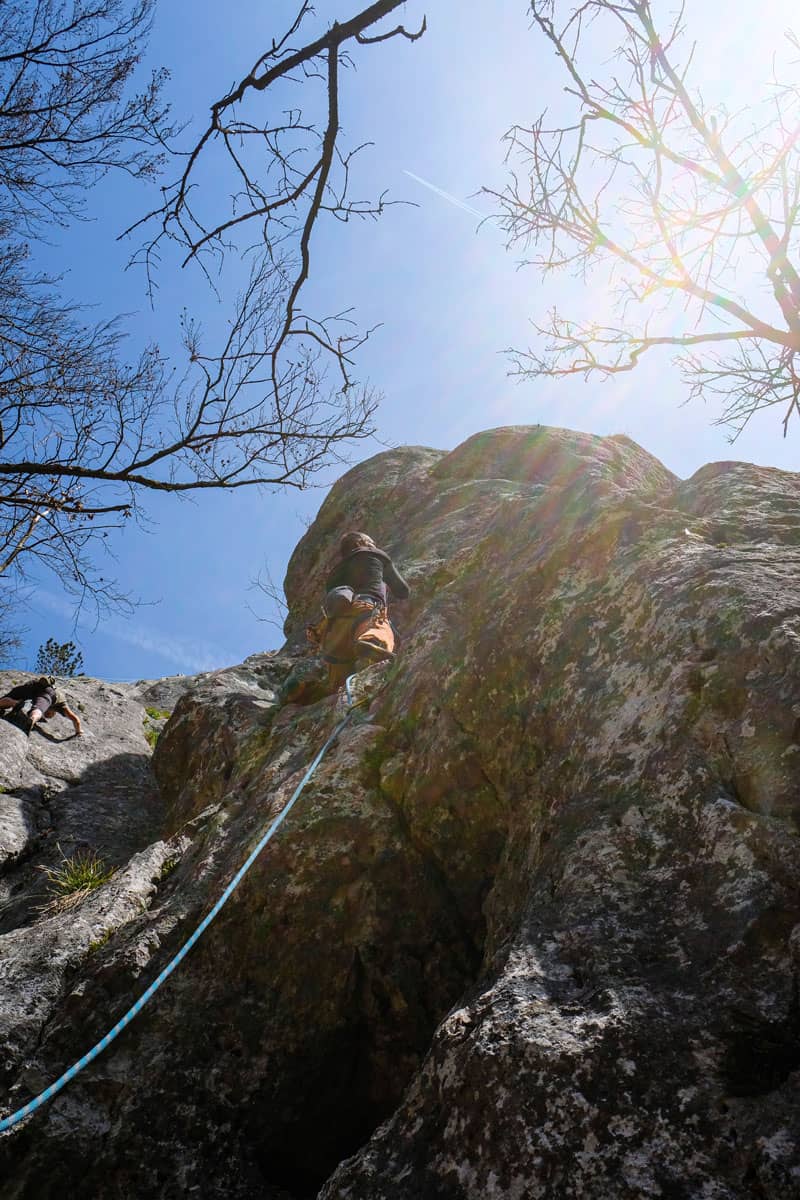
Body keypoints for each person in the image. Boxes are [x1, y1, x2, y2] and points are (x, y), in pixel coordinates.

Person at [0, 676, 83, 736]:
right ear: (54, 711)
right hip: (47, 692)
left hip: (32, 684)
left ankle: (14, 703)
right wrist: (79, 731)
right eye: (49, 715)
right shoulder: (61, 704)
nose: (46, 715)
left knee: (13, 696)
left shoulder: (41, 687)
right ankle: (32, 718)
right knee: (39, 709)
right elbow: (75, 720)